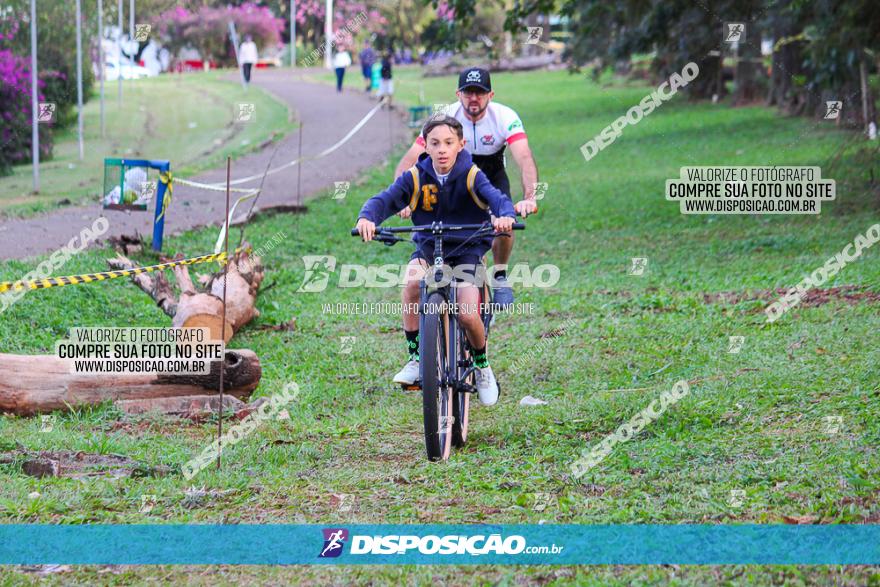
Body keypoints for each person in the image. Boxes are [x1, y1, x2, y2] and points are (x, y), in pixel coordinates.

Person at [356, 116, 517, 405]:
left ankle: (482, 365)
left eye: (448, 143)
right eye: (434, 143)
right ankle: (417, 359)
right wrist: (368, 218)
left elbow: (497, 198)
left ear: (460, 145)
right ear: (425, 146)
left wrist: (505, 215)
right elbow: (384, 199)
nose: (442, 149)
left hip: (467, 249)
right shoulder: (415, 177)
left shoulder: (471, 175)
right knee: (412, 284)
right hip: (430, 248)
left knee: (468, 314)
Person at [393, 68, 539, 307]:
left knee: (504, 220)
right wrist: (402, 200)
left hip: (490, 175)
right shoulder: (442, 118)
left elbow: (524, 158)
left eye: (479, 93)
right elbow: (409, 160)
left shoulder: (505, 116)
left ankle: (500, 275)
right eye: (468, 92)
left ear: (490, 95)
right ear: (458, 94)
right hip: (453, 178)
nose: (474, 98)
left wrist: (529, 197)